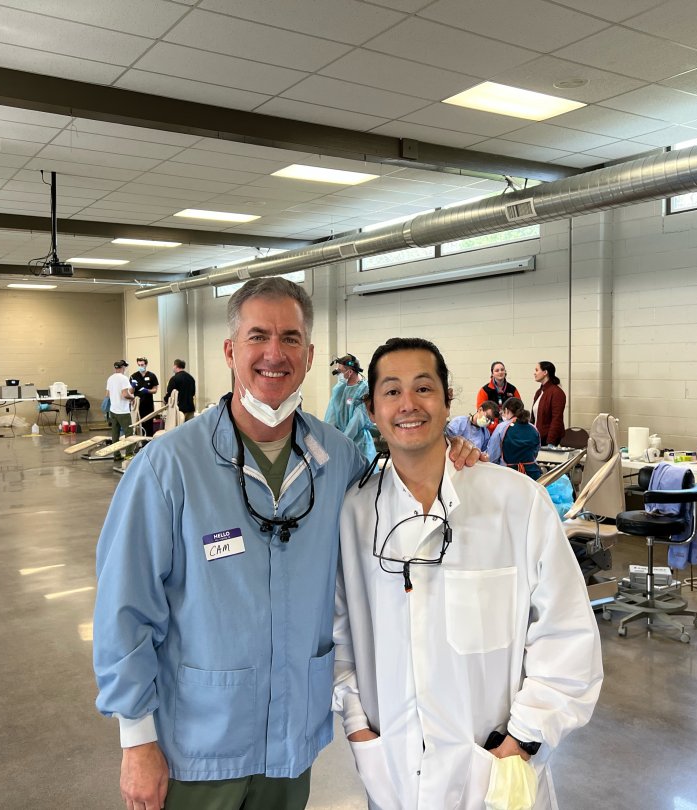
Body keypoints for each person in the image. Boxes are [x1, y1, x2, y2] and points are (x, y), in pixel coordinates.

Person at [93, 278, 481, 810]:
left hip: (292, 744)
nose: (274, 353)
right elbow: (124, 608)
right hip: (196, 747)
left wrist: (451, 453)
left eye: (291, 338)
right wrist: (137, 739)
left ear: (310, 355)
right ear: (230, 350)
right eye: (258, 336)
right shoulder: (169, 467)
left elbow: (401, 501)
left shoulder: (338, 459)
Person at [333, 337, 603, 810]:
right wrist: (357, 723)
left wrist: (523, 738)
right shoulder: (354, 512)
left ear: (448, 401)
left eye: (423, 388)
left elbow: (567, 634)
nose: (408, 404)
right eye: (391, 391)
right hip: (392, 770)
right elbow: (340, 633)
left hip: (495, 769)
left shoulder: (516, 502)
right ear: (372, 410)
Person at [324, 353, 375, 463]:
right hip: (340, 441)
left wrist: (343, 442)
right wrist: (328, 438)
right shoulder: (340, 389)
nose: (338, 374)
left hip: (359, 444)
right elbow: (331, 416)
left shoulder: (364, 390)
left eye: (340, 371)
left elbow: (357, 422)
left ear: (350, 372)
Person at [500, 402, 542, 482]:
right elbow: (536, 450)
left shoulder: (504, 427)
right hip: (532, 474)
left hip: (510, 474)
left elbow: (495, 452)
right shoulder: (533, 429)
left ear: (506, 410)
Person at [532, 361, 566, 446]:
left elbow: (557, 419)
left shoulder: (557, 392)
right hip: (537, 437)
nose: (534, 373)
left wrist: (550, 441)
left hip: (548, 439)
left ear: (545, 372)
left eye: (537, 370)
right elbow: (533, 418)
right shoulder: (539, 392)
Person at [105, 360, 134, 452]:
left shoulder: (110, 378)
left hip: (113, 410)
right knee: (129, 433)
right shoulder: (124, 378)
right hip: (123, 411)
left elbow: (107, 394)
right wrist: (132, 398)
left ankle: (116, 455)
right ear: (123, 368)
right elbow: (125, 394)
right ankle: (129, 454)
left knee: (115, 433)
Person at [487, 397, 525, 465]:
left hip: (507, 469)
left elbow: (492, 456)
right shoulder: (532, 427)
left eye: (503, 413)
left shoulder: (502, 427)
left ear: (506, 410)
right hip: (529, 469)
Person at [129, 358, 160, 437]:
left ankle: (149, 440)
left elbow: (155, 390)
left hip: (148, 404)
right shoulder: (134, 376)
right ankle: (140, 440)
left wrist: (147, 391)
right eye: (139, 365)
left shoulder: (152, 376)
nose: (140, 366)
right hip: (138, 405)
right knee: (138, 424)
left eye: (142, 365)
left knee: (149, 424)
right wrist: (132, 386)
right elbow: (131, 392)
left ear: (146, 364)